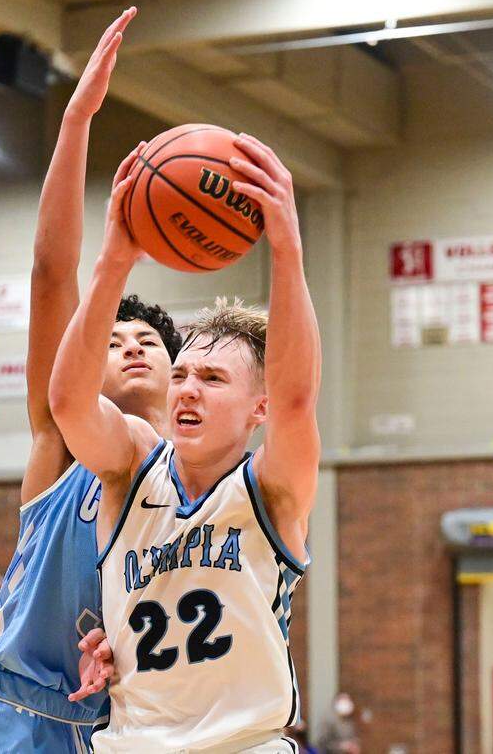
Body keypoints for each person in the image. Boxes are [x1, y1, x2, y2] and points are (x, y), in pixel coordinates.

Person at [0, 8, 183, 754]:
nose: (131, 346)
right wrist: (76, 124)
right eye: (109, 342)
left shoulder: (198, 491)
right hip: (4, 716)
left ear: (178, 372)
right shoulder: (65, 443)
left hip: (113, 731)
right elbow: (50, 277)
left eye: (146, 341)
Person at [50, 120, 322, 749]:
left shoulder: (273, 490)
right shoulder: (133, 464)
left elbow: (298, 397)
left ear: (258, 407)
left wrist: (287, 250)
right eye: (183, 374)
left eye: (213, 378)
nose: (188, 389)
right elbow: (67, 401)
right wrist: (115, 257)